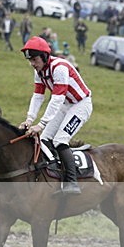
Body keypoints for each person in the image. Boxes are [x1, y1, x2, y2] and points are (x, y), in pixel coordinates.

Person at [18, 36, 92, 195]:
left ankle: (72, 183)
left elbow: (57, 98)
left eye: (34, 59)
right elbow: (38, 96)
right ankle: (55, 175)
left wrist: (42, 123)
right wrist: (29, 119)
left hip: (80, 105)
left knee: (60, 140)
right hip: (66, 105)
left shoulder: (59, 68)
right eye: (30, 60)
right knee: (44, 139)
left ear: (44, 56)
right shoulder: (38, 71)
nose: (32, 63)